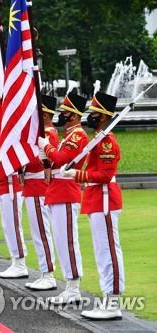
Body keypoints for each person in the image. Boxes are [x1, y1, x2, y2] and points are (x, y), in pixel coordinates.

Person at [62, 92, 124, 320]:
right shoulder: (99, 137)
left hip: (105, 198)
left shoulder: (106, 142)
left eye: (94, 113)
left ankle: (113, 301)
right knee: (101, 252)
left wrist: (76, 174)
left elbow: (105, 175)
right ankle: (108, 299)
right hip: (97, 198)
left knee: (108, 252)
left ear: (104, 116)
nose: (90, 116)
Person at [38, 92, 89, 304]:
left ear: (75, 116)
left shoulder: (78, 136)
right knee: (60, 240)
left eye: (66, 112)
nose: (62, 114)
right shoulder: (69, 135)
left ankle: (73, 287)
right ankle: (69, 285)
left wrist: (45, 147)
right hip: (58, 191)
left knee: (67, 240)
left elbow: (62, 159)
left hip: (66, 191)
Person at [23, 95, 59, 291]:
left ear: (44, 114)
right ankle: (45, 271)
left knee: (41, 233)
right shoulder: (42, 132)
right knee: (37, 232)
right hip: (32, 185)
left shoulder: (48, 133)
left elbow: (42, 160)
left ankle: (48, 274)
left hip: (38, 186)